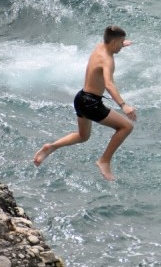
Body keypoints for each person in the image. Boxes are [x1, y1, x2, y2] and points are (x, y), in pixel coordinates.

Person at [34, 26, 137, 181]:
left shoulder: (100, 47)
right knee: (126, 126)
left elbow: (110, 39)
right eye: (120, 42)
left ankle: (51, 147)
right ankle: (104, 160)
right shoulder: (107, 60)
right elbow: (109, 84)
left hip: (81, 98)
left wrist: (122, 43)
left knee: (83, 136)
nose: (122, 46)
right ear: (113, 41)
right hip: (92, 104)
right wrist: (124, 105)